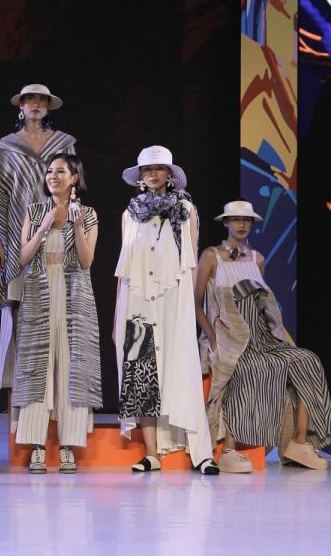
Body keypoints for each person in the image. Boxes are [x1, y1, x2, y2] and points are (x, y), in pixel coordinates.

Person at [195, 200, 330, 472]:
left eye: (247, 220)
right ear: (226, 223)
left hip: (261, 337)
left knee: (308, 360)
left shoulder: (257, 259)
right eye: (236, 219)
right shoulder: (211, 256)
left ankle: (299, 442)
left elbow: (262, 305)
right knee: (246, 368)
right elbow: (196, 303)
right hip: (227, 335)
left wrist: (277, 338)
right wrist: (212, 337)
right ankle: (228, 450)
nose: (241, 224)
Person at [114, 145, 218, 474]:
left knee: (182, 369)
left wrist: (190, 309)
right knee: (141, 372)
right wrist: (118, 317)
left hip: (173, 296)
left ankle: (202, 453)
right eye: (147, 169)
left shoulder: (185, 209)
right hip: (138, 298)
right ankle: (151, 453)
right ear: (140, 176)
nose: (153, 174)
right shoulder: (130, 213)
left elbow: (191, 260)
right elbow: (124, 266)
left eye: (159, 168)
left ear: (170, 174)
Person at [12, 154, 102, 473]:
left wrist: (76, 227)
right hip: (40, 293)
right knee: (37, 369)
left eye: (60, 171)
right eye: (50, 171)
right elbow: (22, 257)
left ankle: (67, 447)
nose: (53, 176)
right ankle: (37, 447)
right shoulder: (35, 211)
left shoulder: (88, 214)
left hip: (74, 295)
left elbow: (86, 261)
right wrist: (44, 226)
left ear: (74, 177)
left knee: (71, 370)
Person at [0, 83, 75, 387]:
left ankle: (53, 383)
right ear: (20, 107)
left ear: (48, 107)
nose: (35, 104)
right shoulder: (6, 145)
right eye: (29, 100)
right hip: (15, 234)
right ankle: (24, 381)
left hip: (56, 229)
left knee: (54, 303)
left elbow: (73, 186)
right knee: (19, 304)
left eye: (41, 100)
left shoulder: (63, 143)